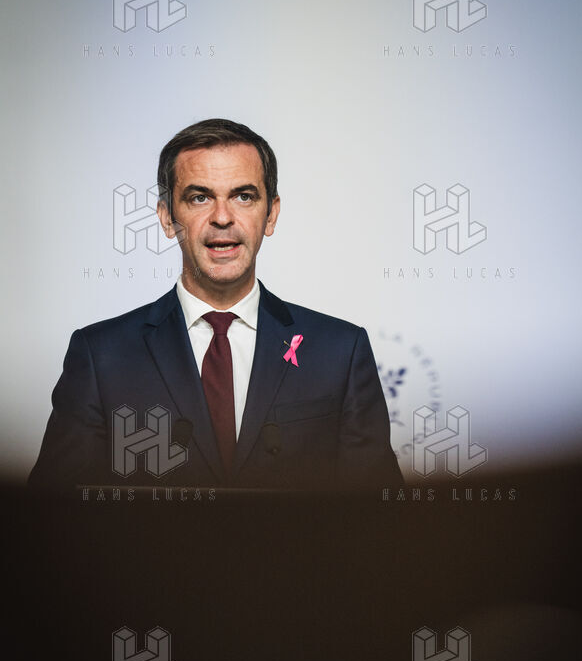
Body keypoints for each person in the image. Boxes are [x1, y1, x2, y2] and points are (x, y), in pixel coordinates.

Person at [29, 119, 403, 492]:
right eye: (199, 197)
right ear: (167, 217)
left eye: (244, 196)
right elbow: (52, 514)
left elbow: (378, 515)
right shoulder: (101, 356)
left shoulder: (340, 351)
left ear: (271, 214)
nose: (222, 218)